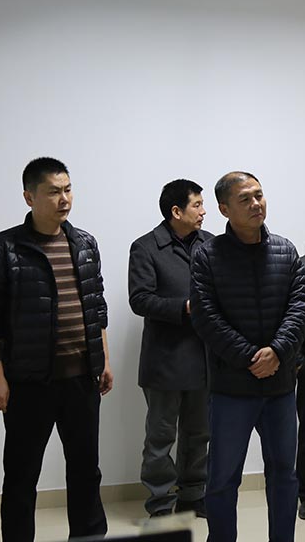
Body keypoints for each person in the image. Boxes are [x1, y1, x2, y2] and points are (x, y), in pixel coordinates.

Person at [0, 157, 112, 541]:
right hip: (28, 382)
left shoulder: (84, 243)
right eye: (53, 192)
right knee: (21, 475)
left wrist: (103, 359)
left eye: (68, 189)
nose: (64, 199)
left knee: (86, 471)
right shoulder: (1, 248)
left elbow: (96, 305)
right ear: (29, 197)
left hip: (81, 379)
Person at [189, 171, 305, 542]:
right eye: (245, 199)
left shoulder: (285, 250)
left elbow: (300, 305)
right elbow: (206, 317)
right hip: (232, 388)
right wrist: (250, 358)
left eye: (259, 195)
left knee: (284, 474)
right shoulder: (207, 255)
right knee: (223, 479)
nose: (256, 203)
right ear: (224, 208)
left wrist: (277, 351)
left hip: (279, 387)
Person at [128, 179, 213, 518]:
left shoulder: (211, 244)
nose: (204, 211)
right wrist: (185, 307)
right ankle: (160, 502)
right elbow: (140, 299)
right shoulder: (146, 247)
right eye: (197, 205)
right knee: (160, 438)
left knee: (199, 434)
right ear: (176, 211)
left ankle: (193, 494)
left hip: (204, 358)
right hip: (164, 360)